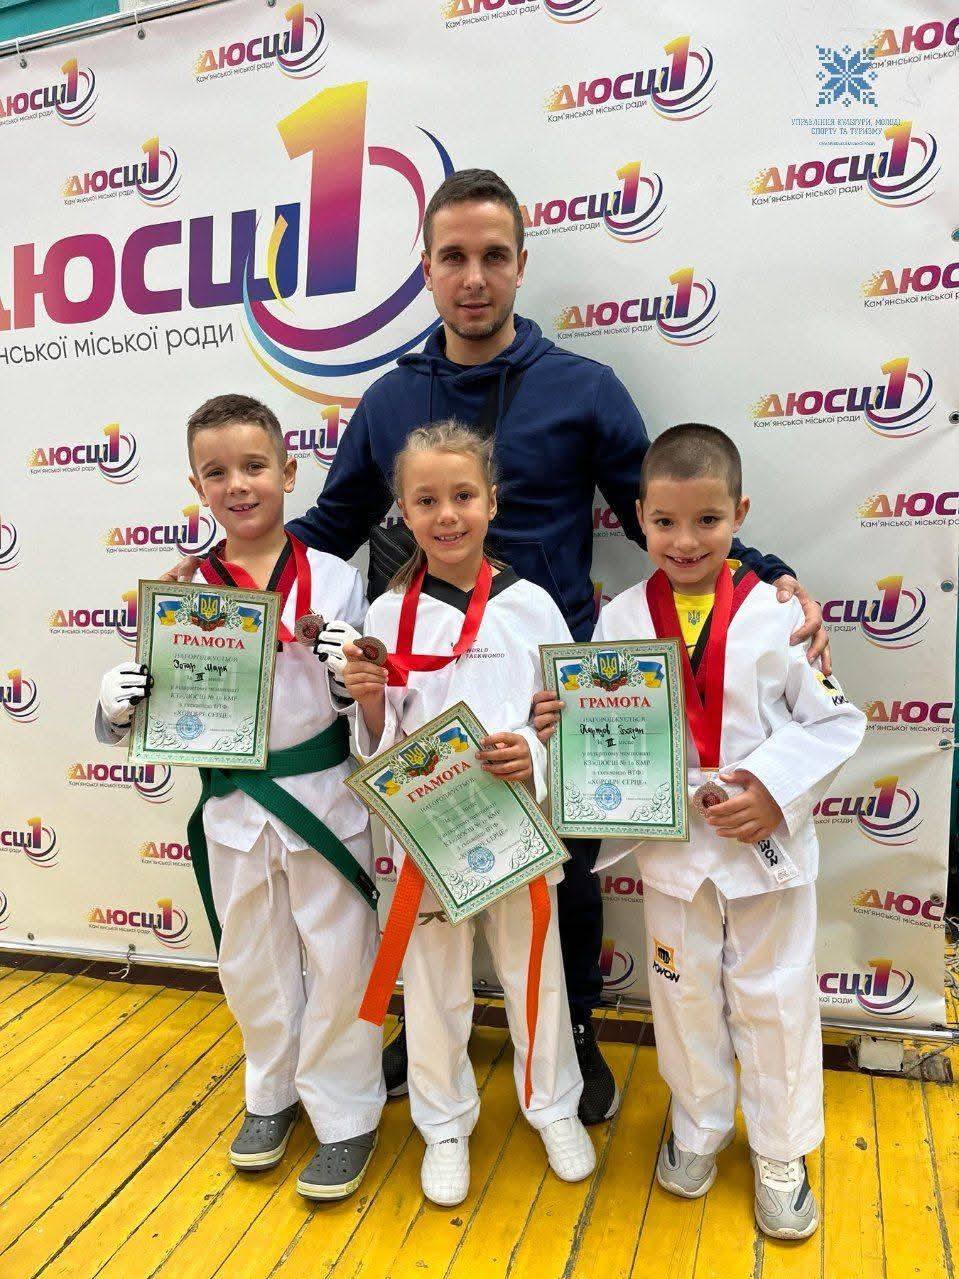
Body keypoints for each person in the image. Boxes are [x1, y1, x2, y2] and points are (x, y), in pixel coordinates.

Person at [162, 168, 832, 1126]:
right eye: (452, 257)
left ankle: (571, 1032)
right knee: (430, 875)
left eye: (491, 256)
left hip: (551, 685)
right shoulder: (390, 401)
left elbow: (663, 510)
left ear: (521, 262)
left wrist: (770, 572)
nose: (472, 277)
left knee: (560, 873)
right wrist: (215, 575)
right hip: (427, 687)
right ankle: (428, 1040)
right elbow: (328, 524)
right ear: (426, 270)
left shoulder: (584, 389)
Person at [534, 423, 865, 1240]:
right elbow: (603, 724)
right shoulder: (618, 617)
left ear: (739, 515)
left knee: (774, 996)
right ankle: (697, 1126)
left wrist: (771, 792)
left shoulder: (777, 612)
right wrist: (557, 723)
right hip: (672, 844)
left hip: (762, 844)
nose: (685, 541)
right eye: (665, 522)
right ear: (638, 517)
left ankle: (780, 1149)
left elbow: (833, 720)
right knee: (680, 996)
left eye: (708, 520)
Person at [96, 394, 385, 1200]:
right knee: (250, 959)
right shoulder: (181, 587)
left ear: (288, 472)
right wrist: (117, 704)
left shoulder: (336, 578)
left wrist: (347, 677)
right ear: (197, 486)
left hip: (323, 802)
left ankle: (347, 1109)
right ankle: (272, 1091)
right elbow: (156, 709)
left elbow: (367, 705)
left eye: (254, 466)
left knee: (340, 960)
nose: (238, 484)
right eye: (217, 472)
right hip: (233, 808)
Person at [339, 421, 595, 1207]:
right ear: (402, 511)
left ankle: (552, 1105)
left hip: (517, 828)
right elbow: (375, 742)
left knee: (534, 975)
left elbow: (563, 715)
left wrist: (532, 754)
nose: (445, 514)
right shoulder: (386, 614)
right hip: (428, 839)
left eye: (461, 496)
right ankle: (443, 1123)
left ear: (492, 500)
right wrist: (370, 703)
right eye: (425, 500)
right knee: (432, 986)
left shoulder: (531, 604)